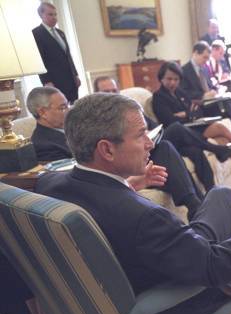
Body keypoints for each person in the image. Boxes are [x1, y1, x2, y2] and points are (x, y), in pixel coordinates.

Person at [36, 93, 231, 314]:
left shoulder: (48, 184)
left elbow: (101, 208)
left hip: (147, 264)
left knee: (221, 197)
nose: (150, 143)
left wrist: (131, 185)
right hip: (174, 299)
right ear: (106, 149)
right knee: (226, 199)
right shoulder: (145, 217)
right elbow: (212, 266)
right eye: (142, 134)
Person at [27, 86, 204, 220]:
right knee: (222, 197)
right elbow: (79, 180)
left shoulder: (72, 127)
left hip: (119, 173)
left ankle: (196, 204)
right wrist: (128, 183)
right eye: (63, 107)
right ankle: (196, 204)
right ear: (42, 112)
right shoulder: (43, 144)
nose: (68, 110)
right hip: (111, 173)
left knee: (178, 148)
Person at [93, 76, 231, 190]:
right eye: (106, 92)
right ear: (96, 94)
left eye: (114, 91)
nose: (112, 95)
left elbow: (154, 126)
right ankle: (217, 149)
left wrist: (148, 133)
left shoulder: (128, 110)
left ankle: (211, 192)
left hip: (154, 141)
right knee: (176, 128)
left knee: (195, 151)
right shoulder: (98, 120)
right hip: (141, 152)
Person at [153, 62, 231, 187]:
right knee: (219, 128)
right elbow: (170, 121)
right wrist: (188, 114)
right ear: (161, 78)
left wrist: (186, 114)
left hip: (193, 126)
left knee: (222, 138)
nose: (172, 83)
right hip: (182, 134)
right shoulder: (158, 97)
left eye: (176, 79)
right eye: (169, 79)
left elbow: (195, 110)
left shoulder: (180, 92)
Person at [180, 42, 231, 142]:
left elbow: (209, 85)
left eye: (208, 58)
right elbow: (184, 93)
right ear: (195, 53)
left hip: (209, 102)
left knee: (227, 102)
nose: (206, 61)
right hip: (198, 106)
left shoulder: (203, 68)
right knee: (226, 104)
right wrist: (203, 95)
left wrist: (215, 90)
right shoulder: (184, 70)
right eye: (204, 57)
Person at [32, 2, 80, 103]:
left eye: (55, 14)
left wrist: (75, 75)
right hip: (54, 82)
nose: (54, 17)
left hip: (71, 80)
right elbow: (40, 60)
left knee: (74, 109)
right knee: (61, 108)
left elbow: (68, 56)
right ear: (41, 15)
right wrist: (46, 81)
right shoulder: (36, 33)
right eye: (50, 14)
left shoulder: (60, 33)